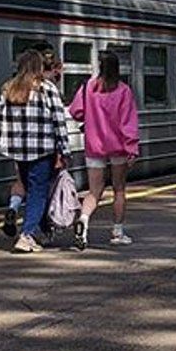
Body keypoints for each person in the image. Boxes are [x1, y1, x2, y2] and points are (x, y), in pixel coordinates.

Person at [0, 50, 70, 253]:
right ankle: (27, 235)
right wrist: (65, 150)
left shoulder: (10, 89)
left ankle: (41, 229)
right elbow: (59, 122)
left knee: (32, 191)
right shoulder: (47, 89)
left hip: (19, 153)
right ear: (39, 67)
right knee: (38, 193)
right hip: (42, 151)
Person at [68, 51, 139, 247]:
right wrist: (132, 148)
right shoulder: (124, 91)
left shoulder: (88, 87)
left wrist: (91, 117)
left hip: (94, 146)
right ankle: (117, 232)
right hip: (118, 149)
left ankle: (83, 220)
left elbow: (75, 111)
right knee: (118, 189)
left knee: (94, 192)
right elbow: (128, 123)